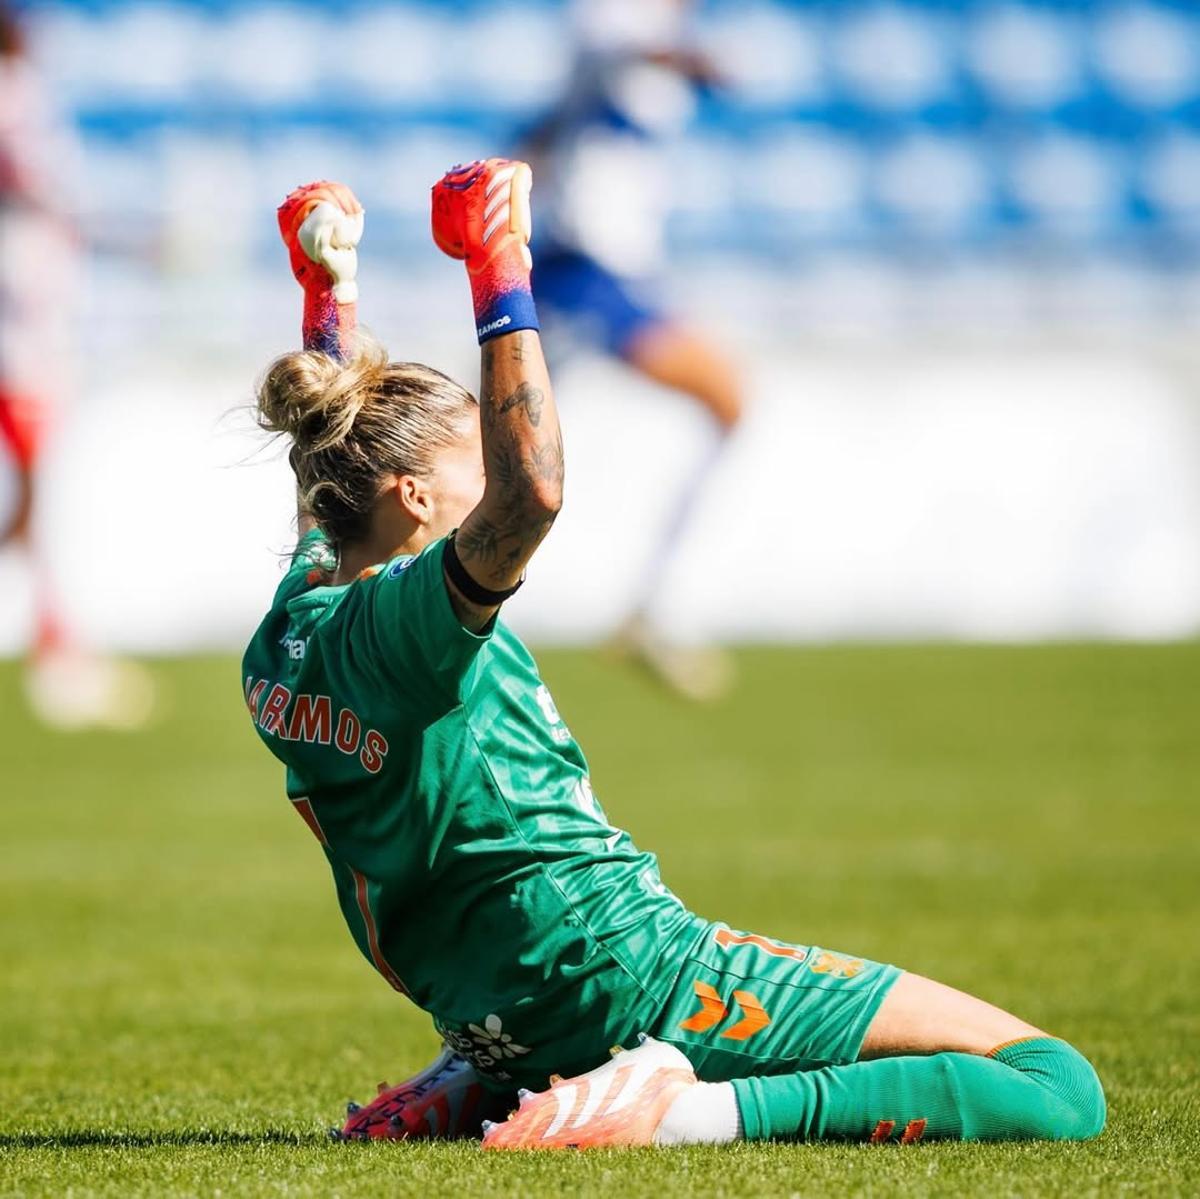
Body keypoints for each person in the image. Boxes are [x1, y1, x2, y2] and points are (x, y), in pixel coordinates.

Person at [243, 161, 1104, 1149]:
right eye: (470, 465)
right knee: (1056, 1082)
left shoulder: (284, 630)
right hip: (629, 972)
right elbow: (536, 493)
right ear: (414, 497)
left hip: (496, 1008)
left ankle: (483, 1076)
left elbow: (327, 473)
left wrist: (328, 294)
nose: (489, 486)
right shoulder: (409, 624)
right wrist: (498, 266)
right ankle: (672, 1106)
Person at [519, 0, 743, 700]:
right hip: (585, 269)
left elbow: (561, 116)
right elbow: (626, 42)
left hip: (611, 272)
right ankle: (652, 608)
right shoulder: (625, 15)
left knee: (501, 444)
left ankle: (654, 606)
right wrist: (698, 60)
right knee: (498, 447)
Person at [0, 0, 153, 728]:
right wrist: (131, 238)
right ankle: (58, 649)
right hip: (19, 329)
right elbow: (50, 197)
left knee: (33, 495)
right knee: (35, 491)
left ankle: (56, 640)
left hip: (32, 322)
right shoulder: (14, 97)